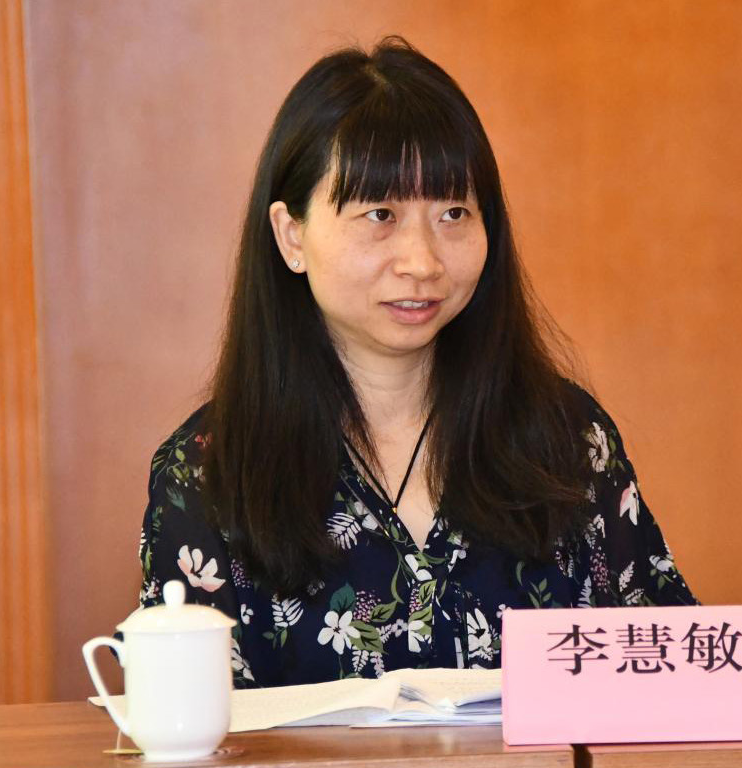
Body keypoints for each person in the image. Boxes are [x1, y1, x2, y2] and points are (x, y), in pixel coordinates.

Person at [138, 37, 697, 688]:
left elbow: (671, 677)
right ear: (292, 236)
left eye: (453, 213)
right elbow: (183, 717)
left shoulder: (568, 441)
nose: (423, 262)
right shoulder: (207, 471)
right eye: (381, 214)